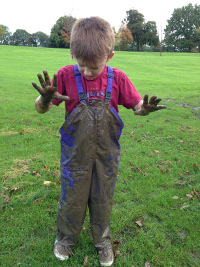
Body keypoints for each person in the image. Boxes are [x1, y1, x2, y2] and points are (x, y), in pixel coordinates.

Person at [32, 16, 166, 266]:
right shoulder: (65, 76)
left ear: (110, 57)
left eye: (93, 66)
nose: (86, 71)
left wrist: (145, 109)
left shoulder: (118, 79)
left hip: (107, 155)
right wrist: (45, 100)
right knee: (72, 196)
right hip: (75, 154)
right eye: (81, 65)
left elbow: (137, 107)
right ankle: (65, 239)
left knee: (103, 197)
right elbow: (41, 109)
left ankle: (103, 242)